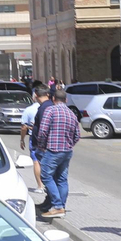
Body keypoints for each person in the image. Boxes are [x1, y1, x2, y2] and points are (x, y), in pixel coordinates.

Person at [36, 85, 82, 218]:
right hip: (66, 151)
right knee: (62, 179)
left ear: (53, 98)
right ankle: (61, 206)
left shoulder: (50, 110)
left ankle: (57, 206)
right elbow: (77, 135)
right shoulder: (71, 114)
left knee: (45, 176)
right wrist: (69, 145)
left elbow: (43, 131)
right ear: (66, 100)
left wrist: (42, 146)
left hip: (53, 150)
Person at [18, 83, 50, 193]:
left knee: (36, 162)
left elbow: (23, 127)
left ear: (35, 95)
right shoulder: (51, 106)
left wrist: (22, 140)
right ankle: (49, 185)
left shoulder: (29, 110)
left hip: (35, 138)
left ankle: (40, 186)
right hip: (50, 139)